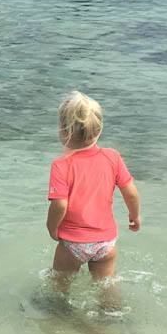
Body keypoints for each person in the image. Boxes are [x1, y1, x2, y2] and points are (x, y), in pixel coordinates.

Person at [46, 91, 141, 306]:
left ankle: (59, 316)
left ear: (63, 131)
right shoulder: (112, 157)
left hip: (73, 243)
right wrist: (135, 216)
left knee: (59, 286)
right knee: (106, 285)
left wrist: (52, 228)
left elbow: (60, 204)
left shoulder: (61, 165)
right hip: (106, 242)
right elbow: (131, 192)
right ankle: (112, 315)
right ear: (99, 130)